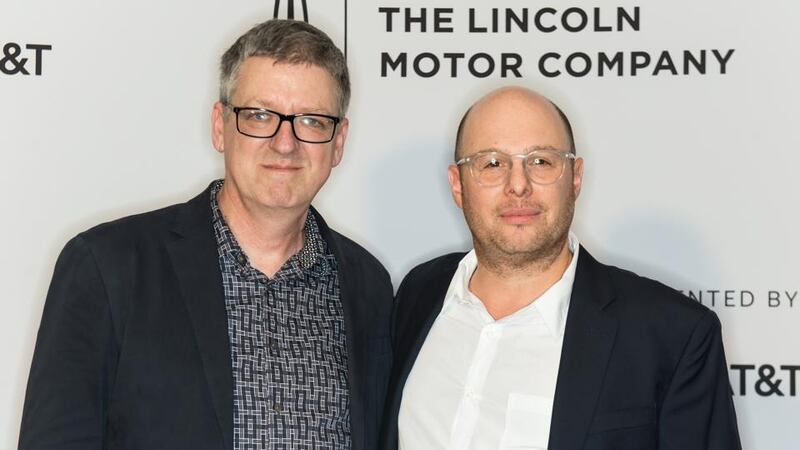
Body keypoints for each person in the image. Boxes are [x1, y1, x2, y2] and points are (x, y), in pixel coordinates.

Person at [19, 19, 393, 450]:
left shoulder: (369, 287)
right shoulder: (107, 268)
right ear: (220, 126)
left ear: (338, 141)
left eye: (311, 120)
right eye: (259, 115)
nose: (285, 143)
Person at [380, 86, 741, 450]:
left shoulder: (673, 335)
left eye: (541, 161)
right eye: (491, 163)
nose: (518, 185)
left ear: (575, 176)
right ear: (458, 186)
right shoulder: (418, 293)